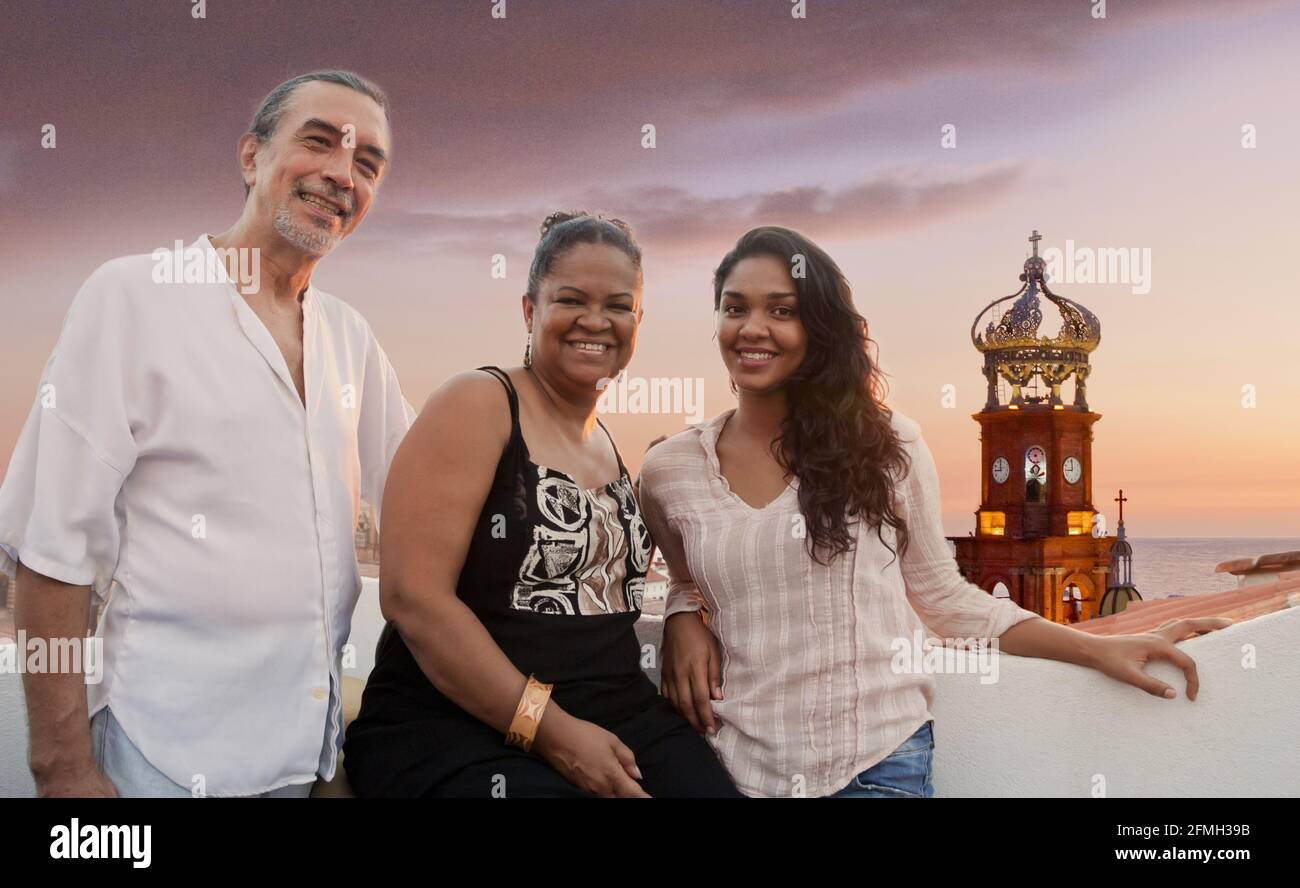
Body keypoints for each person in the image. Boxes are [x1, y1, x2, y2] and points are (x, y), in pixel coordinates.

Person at [638, 226, 1231, 798]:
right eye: (734, 307)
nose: (753, 328)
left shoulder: (885, 446)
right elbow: (686, 576)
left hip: (875, 767)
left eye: (782, 310)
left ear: (819, 327)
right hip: (727, 769)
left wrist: (1099, 647)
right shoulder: (671, 471)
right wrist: (681, 614)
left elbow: (943, 597)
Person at [0, 70, 415, 797]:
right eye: (318, 143)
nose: (341, 175)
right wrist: (62, 769)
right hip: (150, 757)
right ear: (251, 157)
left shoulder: (351, 339)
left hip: (303, 764)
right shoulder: (132, 297)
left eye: (367, 164)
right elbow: (49, 555)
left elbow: (429, 497)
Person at [342, 213, 742, 797]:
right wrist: (551, 732)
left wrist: (685, 611)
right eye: (571, 299)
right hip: (456, 722)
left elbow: (675, 567)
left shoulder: (606, 441)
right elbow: (413, 597)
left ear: (638, 319)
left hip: (615, 710)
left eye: (618, 305)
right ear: (529, 311)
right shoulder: (479, 402)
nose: (595, 321)